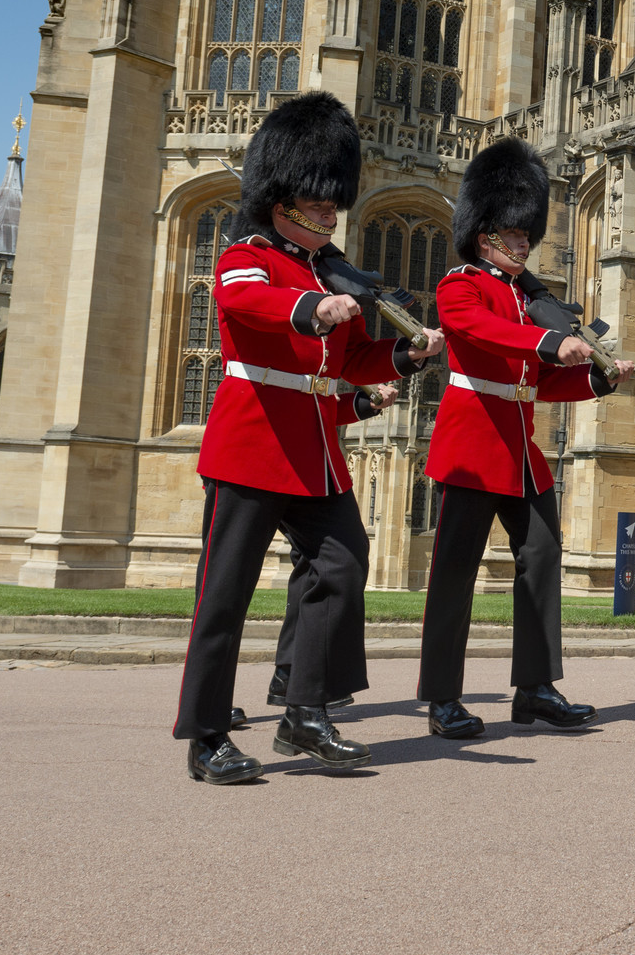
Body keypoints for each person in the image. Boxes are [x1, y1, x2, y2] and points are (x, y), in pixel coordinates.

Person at [172, 92, 445, 784]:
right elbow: (242, 301)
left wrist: (405, 358)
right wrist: (311, 307)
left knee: (343, 563)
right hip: (252, 441)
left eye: (333, 203)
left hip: (318, 455)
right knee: (224, 594)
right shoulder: (248, 253)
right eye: (320, 203)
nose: (332, 213)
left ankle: (304, 711)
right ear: (284, 199)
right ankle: (206, 736)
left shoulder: (334, 273)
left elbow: (351, 363)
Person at [417, 138, 634, 739]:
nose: (523, 244)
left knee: (540, 558)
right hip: (470, 447)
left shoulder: (529, 300)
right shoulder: (461, 285)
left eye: (526, 235)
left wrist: (595, 375)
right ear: (485, 234)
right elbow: (477, 332)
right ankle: (441, 697)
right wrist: (547, 341)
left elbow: (535, 385)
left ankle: (535, 687)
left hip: (520, 452)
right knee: (454, 575)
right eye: (513, 235)